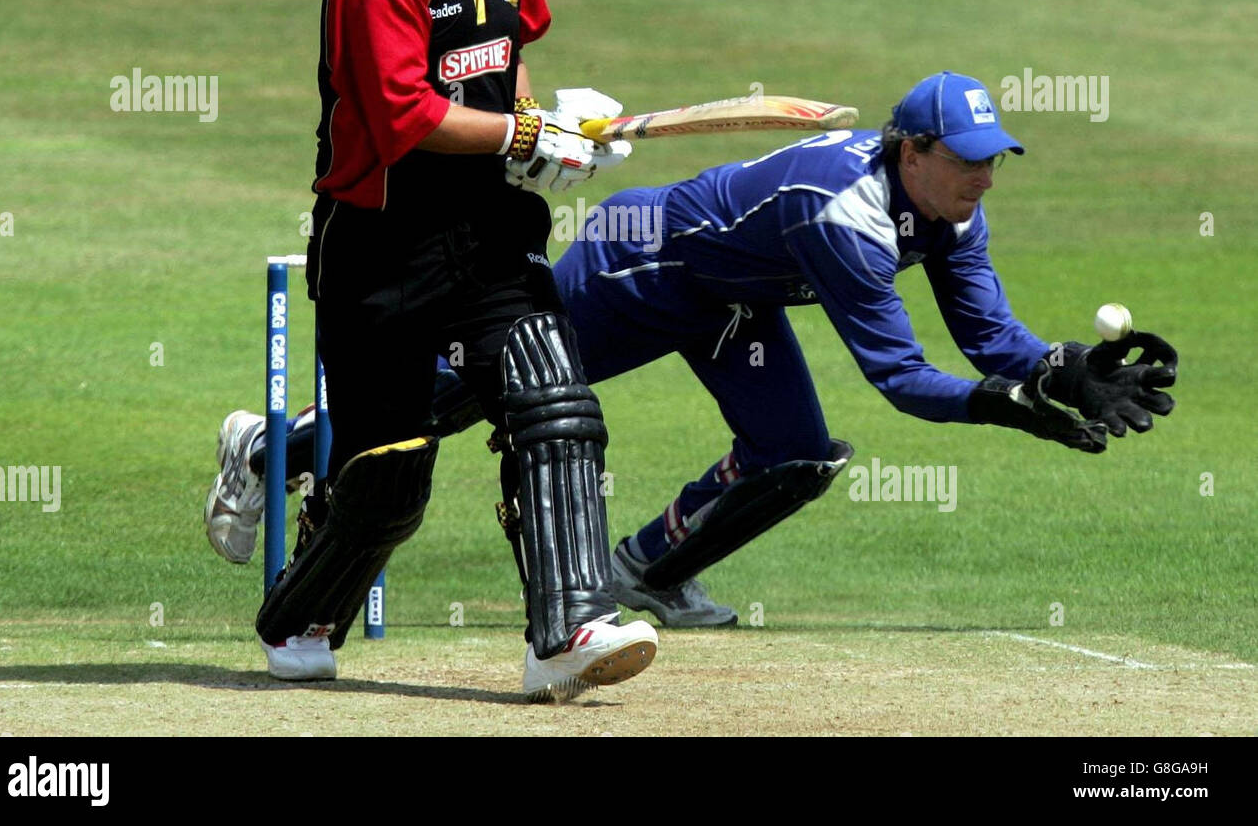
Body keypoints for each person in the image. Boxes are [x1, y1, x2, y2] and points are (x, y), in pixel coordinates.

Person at [210, 71, 1177, 628]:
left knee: (796, 454)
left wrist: (1059, 368)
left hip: (730, 300)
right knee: (455, 403)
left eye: (992, 160)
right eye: (965, 159)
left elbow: (986, 336)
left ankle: (646, 571)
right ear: (910, 151)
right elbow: (899, 376)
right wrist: (1003, 407)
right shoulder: (841, 215)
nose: (981, 177)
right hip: (644, 269)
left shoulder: (953, 213)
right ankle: (266, 450)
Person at [225, 0, 657, 702]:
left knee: (555, 401)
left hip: (488, 227)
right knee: (388, 475)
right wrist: (523, 133)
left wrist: (549, 138)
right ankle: (299, 616)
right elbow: (405, 118)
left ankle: (567, 627)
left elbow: (507, 65)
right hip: (382, 243)